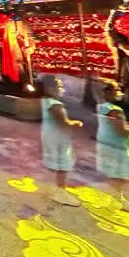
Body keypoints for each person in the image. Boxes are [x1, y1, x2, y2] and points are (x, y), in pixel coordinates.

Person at [95, 80, 129, 208]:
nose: (120, 93)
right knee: (123, 175)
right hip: (116, 145)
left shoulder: (101, 106)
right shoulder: (114, 109)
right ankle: (114, 198)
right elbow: (122, 129)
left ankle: (116, 199)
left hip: (107, 142)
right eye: (117, 90)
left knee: (117, 174)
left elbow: (121, 125)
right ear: (109, 92)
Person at [38, 75, 83, 206]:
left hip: (51, 135)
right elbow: (64, 122)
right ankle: (60, 192)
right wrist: (77, 123)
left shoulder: (45, 100)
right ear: (49, 88)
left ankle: (56, 189)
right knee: (63, 163)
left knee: (57, 162)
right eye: (59, 86)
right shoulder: (54, 104)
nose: (61, 88)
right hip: (58, 137)